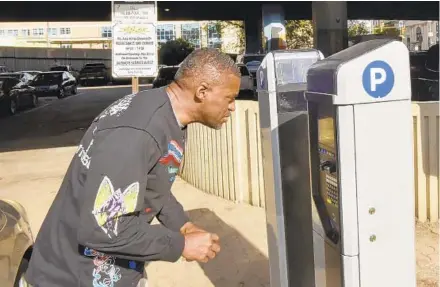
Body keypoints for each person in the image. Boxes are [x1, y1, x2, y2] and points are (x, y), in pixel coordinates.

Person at [23, 48, 241, 287]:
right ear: (202, 92)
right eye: (229, 98)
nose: (232, 107)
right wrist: (180, 244)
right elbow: (103, 227)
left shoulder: (164, 113)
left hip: (109, 269)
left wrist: (181, 224)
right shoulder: (136, 134)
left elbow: (149, 183)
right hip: (71, 277)